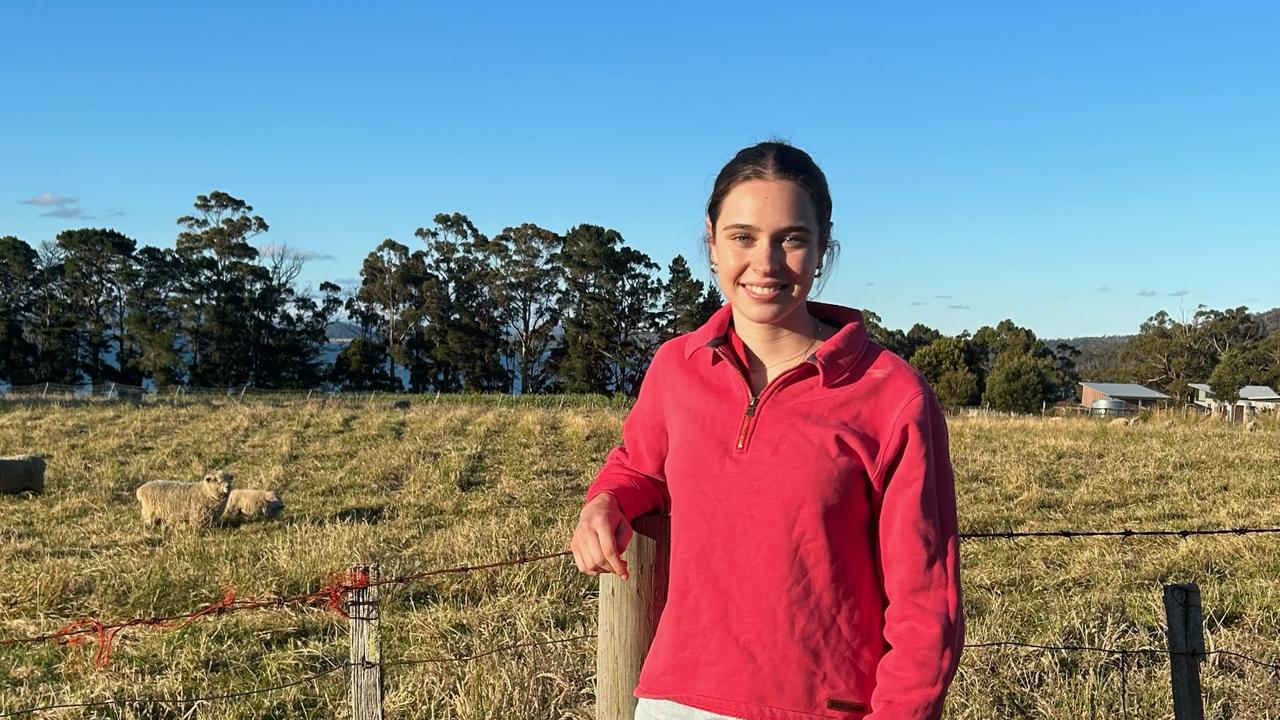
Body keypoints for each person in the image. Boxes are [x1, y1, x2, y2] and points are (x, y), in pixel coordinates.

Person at [570, 142, 963, 720]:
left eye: (793, 238)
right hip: (676, 702)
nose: (767, 263)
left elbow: (926, 603)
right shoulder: (677, 367)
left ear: (823, 244)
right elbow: (639, 463)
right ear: (711, 240)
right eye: (743, 236)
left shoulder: (891, 394)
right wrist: (605, 501)